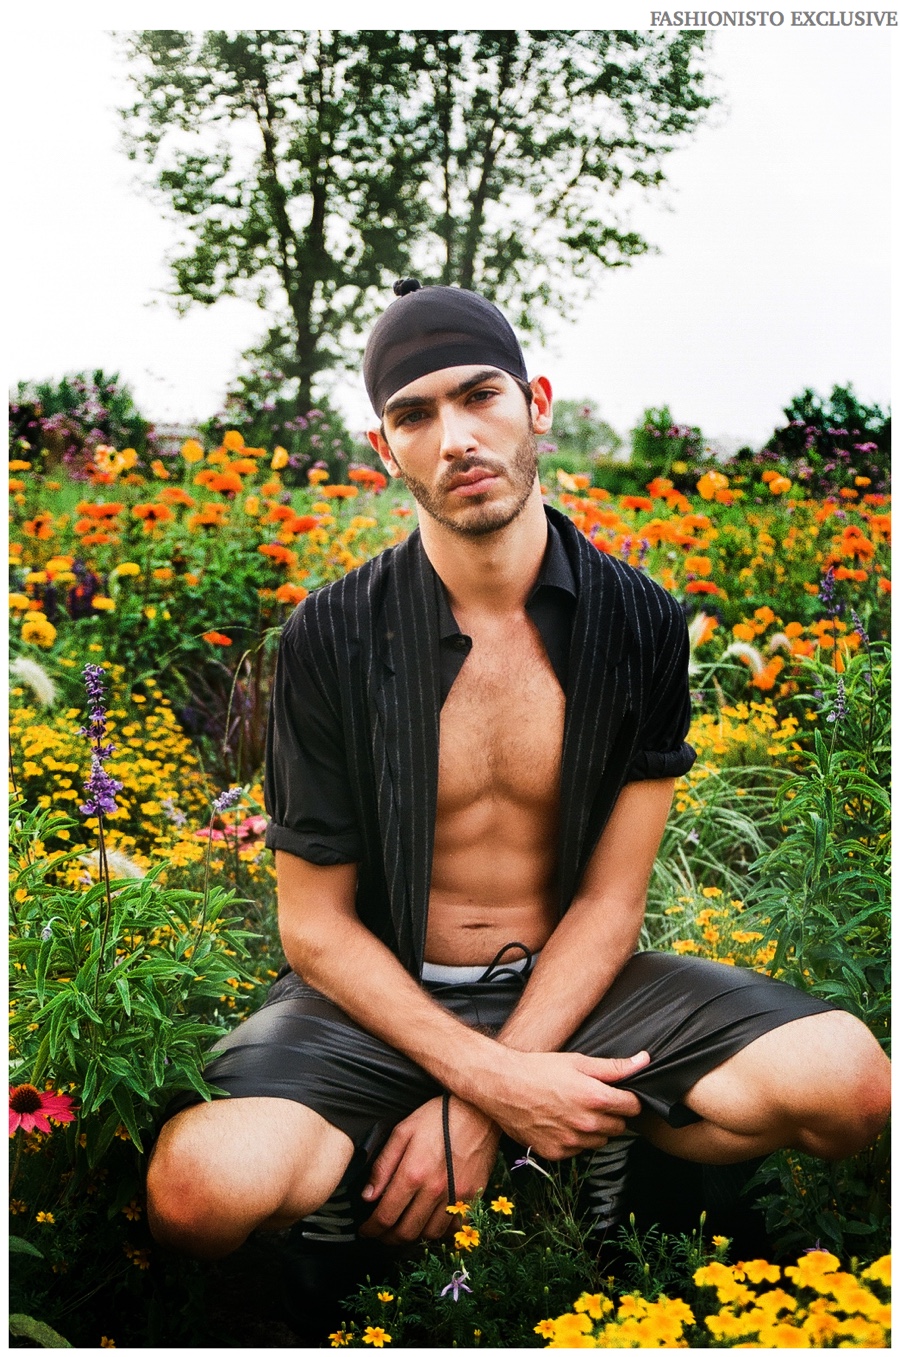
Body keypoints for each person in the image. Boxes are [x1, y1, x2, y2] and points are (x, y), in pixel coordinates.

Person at [148, 281, 890, 1259]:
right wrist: (492, 1082)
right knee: (197, 1191)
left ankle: (605, 1149)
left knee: (852, 1086)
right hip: (376, 1001)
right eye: (415, 414)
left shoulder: (639, 621)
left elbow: (612, 902)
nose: (455, 437)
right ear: (385, 448)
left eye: (480, 395)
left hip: (578, 989)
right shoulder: (332, 634)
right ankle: (450, 1167)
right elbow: (315, 926)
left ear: (535, 403)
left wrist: (478, 1107)